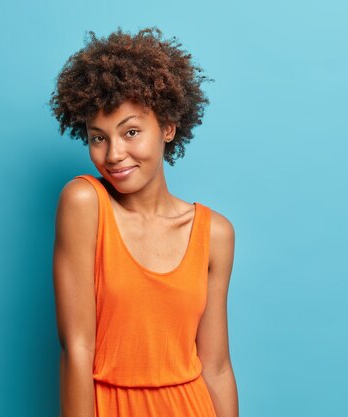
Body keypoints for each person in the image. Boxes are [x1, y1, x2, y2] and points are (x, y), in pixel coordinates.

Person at [49, 26, 238, 417]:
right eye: (98, 137)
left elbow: (216, 368)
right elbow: (77, 350)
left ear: (168, 128)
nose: (114, 154)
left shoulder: (214, 233)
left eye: (131, 132)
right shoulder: (85, 203)